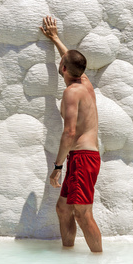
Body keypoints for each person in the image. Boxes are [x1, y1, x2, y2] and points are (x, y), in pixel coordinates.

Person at [40, 16, 102, 252]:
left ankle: (98, 263)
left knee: (82, 213)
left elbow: (69, 132)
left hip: (82, 158)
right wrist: (55, 37)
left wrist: (57, 166)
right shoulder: (85, 82)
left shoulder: (72, 93)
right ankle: (68, 256)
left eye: (62, 61)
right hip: (84, 158)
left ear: (63, 68)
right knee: (64, 209)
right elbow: (73, 59)